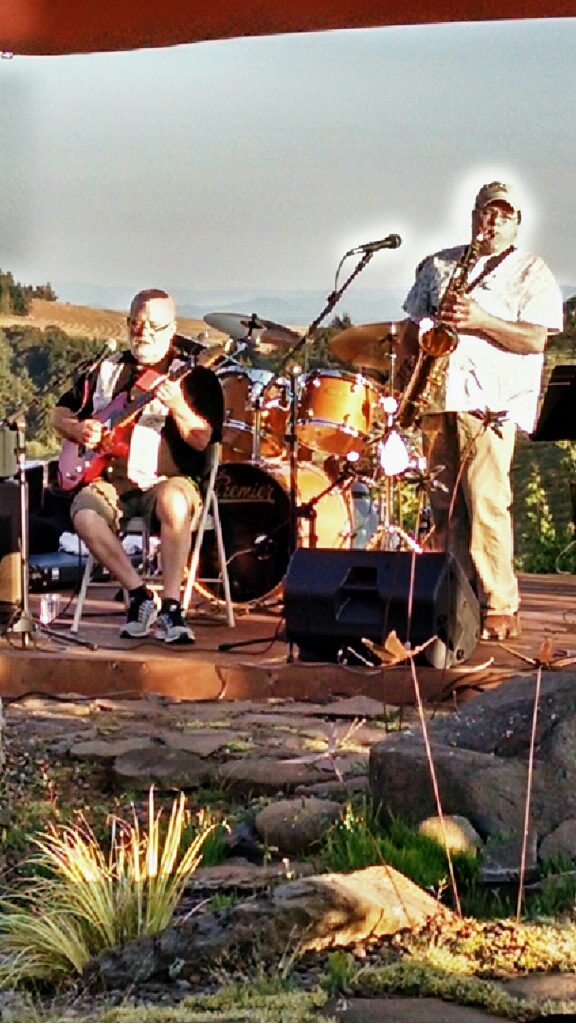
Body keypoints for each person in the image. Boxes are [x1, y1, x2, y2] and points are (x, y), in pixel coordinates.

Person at [401, 181, 564, 641]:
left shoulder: (532, 271)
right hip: (437, 396)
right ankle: (453, 594)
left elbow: (534, 339)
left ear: (516, 223)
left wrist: (481, 321)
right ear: (473, 216)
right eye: (485, 213)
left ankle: (499, 600)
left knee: (487, 500)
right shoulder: (438, 264)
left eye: (502, 215)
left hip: (492, 399)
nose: (491, 222)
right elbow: (411, 327)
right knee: (442, 504)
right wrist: (407, 381)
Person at [54, 288, 224, 644]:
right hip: (114, 480)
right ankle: (139, 595)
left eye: (153, 325)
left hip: (170, 479)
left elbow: (201, 439)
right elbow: (61, 412)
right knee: (84, 514)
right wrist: (78, 429)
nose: (142, 332)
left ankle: (173, 607)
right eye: (136, 323)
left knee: (174, 504)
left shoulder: (194, 377)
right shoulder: (106, 370)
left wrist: (178, 405)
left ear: (172, 329)